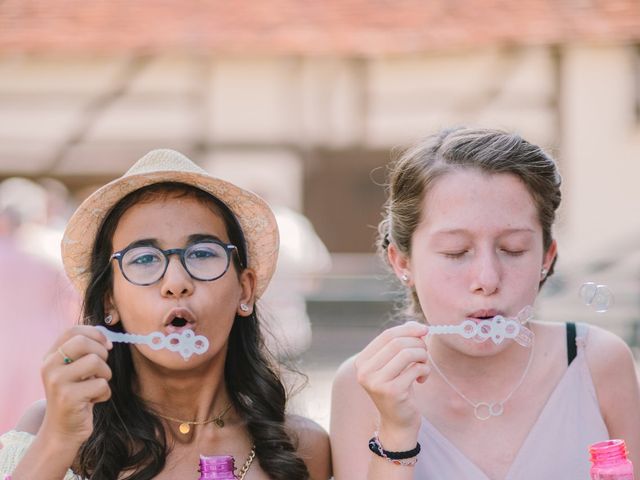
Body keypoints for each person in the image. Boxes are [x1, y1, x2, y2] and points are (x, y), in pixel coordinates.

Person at [0, 149, 331, 479]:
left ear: (244, 291)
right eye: (144, 259)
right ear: (108, 302)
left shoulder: (303, 447)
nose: (176, 283)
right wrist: (58, 442)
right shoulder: (48, 430)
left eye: (202, 253)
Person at [330, 127, 640, 479]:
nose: (487, 280)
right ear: (403, 261)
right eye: (456, 252)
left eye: (513, 250)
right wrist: (396, 433)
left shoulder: (597, 361)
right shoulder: (363, 387)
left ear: (547, 258)